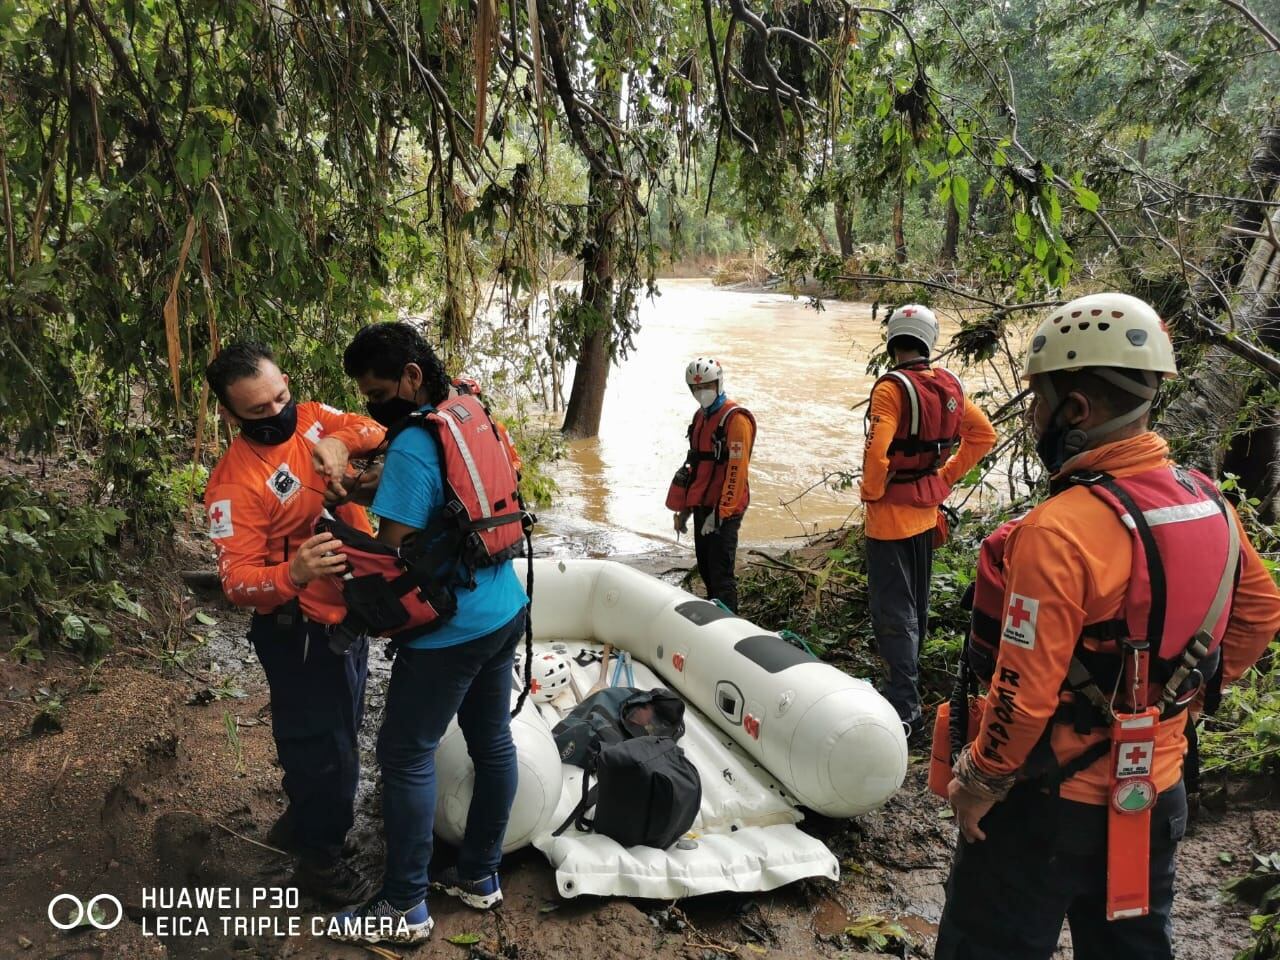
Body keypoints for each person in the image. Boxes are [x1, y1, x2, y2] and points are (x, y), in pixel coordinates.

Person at [936, 293, 1280, 959]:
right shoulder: (1208, 500)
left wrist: (976, 783)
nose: (1034, 416)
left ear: (1076, 411)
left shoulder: (1056, 531)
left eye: (1039, 400)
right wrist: (1180, 702)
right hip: (1155, 794)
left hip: (1047, 810)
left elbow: (1022, 694)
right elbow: (1262, 612)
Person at [331, 322, 529, 946]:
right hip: (507, 605)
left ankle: (404, 906)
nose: (373, 402)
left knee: (405, 753)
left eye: (379, 389)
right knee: (491, 740)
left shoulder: (417, 441)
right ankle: (481, 876)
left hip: (453, 628)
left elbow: (396, 546)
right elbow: (452, 499)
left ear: (411, 377)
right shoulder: (466, 406)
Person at [203, 342, 386, 904]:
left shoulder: (310, 418)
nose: (277, 411)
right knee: (323, 747)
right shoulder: (234, 484)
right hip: (298, 629)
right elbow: (236, 582)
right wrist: (294, 571)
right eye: (259, 410)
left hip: (347, 614)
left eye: (280, 395)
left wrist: (337, 442)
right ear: (232, 415)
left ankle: (302, 820)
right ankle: (322, 863)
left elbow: (374, 429)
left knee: (341, 729)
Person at [860, 305, 996, 738]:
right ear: (928, 341)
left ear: (893, 340)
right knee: (915, 604)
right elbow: (984, 435)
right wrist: (945, 476)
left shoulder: (891, 388)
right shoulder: (948, 386)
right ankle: (906, 689)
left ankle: (904, 705)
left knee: (893, 610)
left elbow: (878, 453)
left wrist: (872, 491)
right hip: (926, 511)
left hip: (890, 520)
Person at [666, 357, 756, 612]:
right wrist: (685, 509)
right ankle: (715, 619)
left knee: (721, 575)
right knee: (705, 568)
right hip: (703, 505)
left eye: (706, 386)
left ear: (718, 383)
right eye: (695, 388)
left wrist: (720, 513)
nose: (701, 392)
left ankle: (730, 627)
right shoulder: (700, 417)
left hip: (725, 509)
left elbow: (736, 472)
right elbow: (695, 466)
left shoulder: (736, 420)